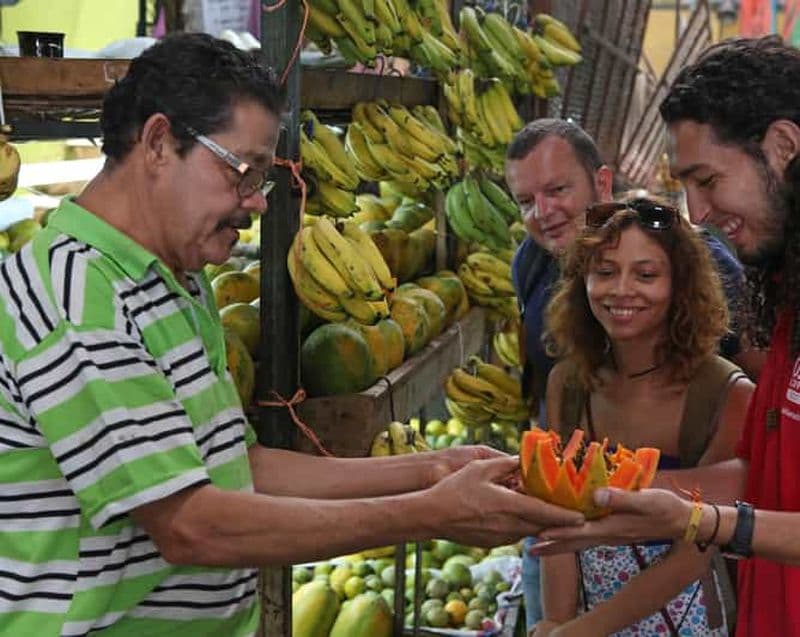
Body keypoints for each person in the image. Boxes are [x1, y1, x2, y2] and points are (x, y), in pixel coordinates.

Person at [0, 34, 585, 636]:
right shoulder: (75, 296)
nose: (255, 202)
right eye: (241, 171)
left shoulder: (176, 278)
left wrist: (434, 469)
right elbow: (189, 523)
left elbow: (238, 465)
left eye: (262, 177)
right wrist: (429, 512)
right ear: (156, 143)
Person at [531, 36, 800, 637]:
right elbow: (761, 479)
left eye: (707, 179)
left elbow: (737, 499)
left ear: (783, 147)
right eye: (604, 272)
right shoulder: (785, 311)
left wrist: (706, 524)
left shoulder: (723, 386)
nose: (699, 213)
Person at [504, 118, 750, 630]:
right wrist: (559, 621)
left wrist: (580, 631)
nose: (621, 291)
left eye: (646, 274)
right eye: (604, 273)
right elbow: (556, 520)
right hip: (582, 598)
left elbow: (700, 544)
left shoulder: (722, 393)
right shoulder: (568, 380)